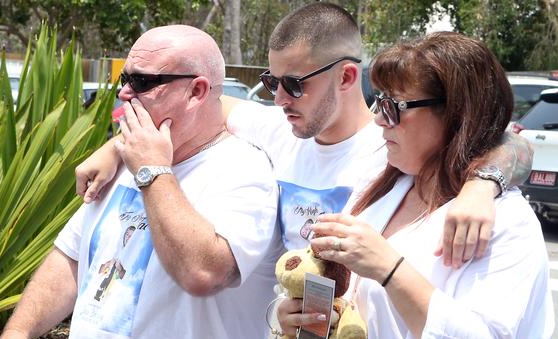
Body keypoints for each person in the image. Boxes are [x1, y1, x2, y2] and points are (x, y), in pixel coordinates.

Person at [75, 3, 534, 270]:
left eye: (294, 84)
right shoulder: (279, 129)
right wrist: (114, 147)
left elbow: (507, 140)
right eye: (271, 82)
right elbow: (195, 107)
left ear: (346, 76)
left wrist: (482, 185)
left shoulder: (395, 142)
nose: (279, 98)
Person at [0, 25, 281, 339]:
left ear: (197, 91)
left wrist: (152, 171)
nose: (125, 93)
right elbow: (72, 258)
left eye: (142, 82)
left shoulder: (243, 169)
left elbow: (204, 274)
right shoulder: (126, 159)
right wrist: (18, 332)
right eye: (124, 79)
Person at [278, 32, 554, 339]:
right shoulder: (382, 182)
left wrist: (388, 268)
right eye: (379, 101)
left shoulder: (504, 220)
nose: (379, 118)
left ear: (455, 112)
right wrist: (294, 315)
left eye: (393, 107)